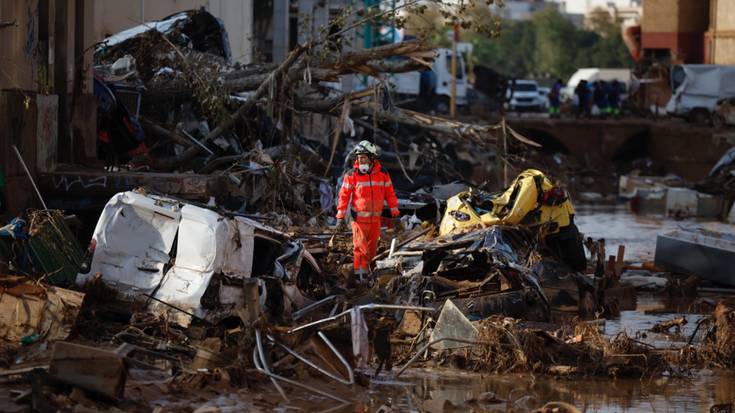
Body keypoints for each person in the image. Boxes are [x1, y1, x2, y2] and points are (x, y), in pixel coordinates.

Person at [336, 141, 400, 280]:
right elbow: (343, 196)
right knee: (360, 249)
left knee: (371, 251)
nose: (360, 160)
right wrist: (340, 217)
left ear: (372, 158)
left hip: (375, 221)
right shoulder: (351, 175)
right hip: (359, 220)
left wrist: (395, 213)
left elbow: (390, 193)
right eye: (358, 158)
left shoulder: (383, 174)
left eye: (363, 157)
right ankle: (360, 278)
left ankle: (367, 274)